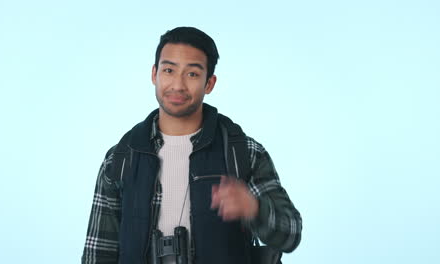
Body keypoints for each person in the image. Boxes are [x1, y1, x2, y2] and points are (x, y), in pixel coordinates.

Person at [82, 26, 302, 264]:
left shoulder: (244, 153)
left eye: (193, 74)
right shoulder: (121, 158)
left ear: (210, 83)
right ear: (154, 74)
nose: (177, 85)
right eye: (169, 70)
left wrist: (255, 209)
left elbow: (291, 234)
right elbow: (99, 252)